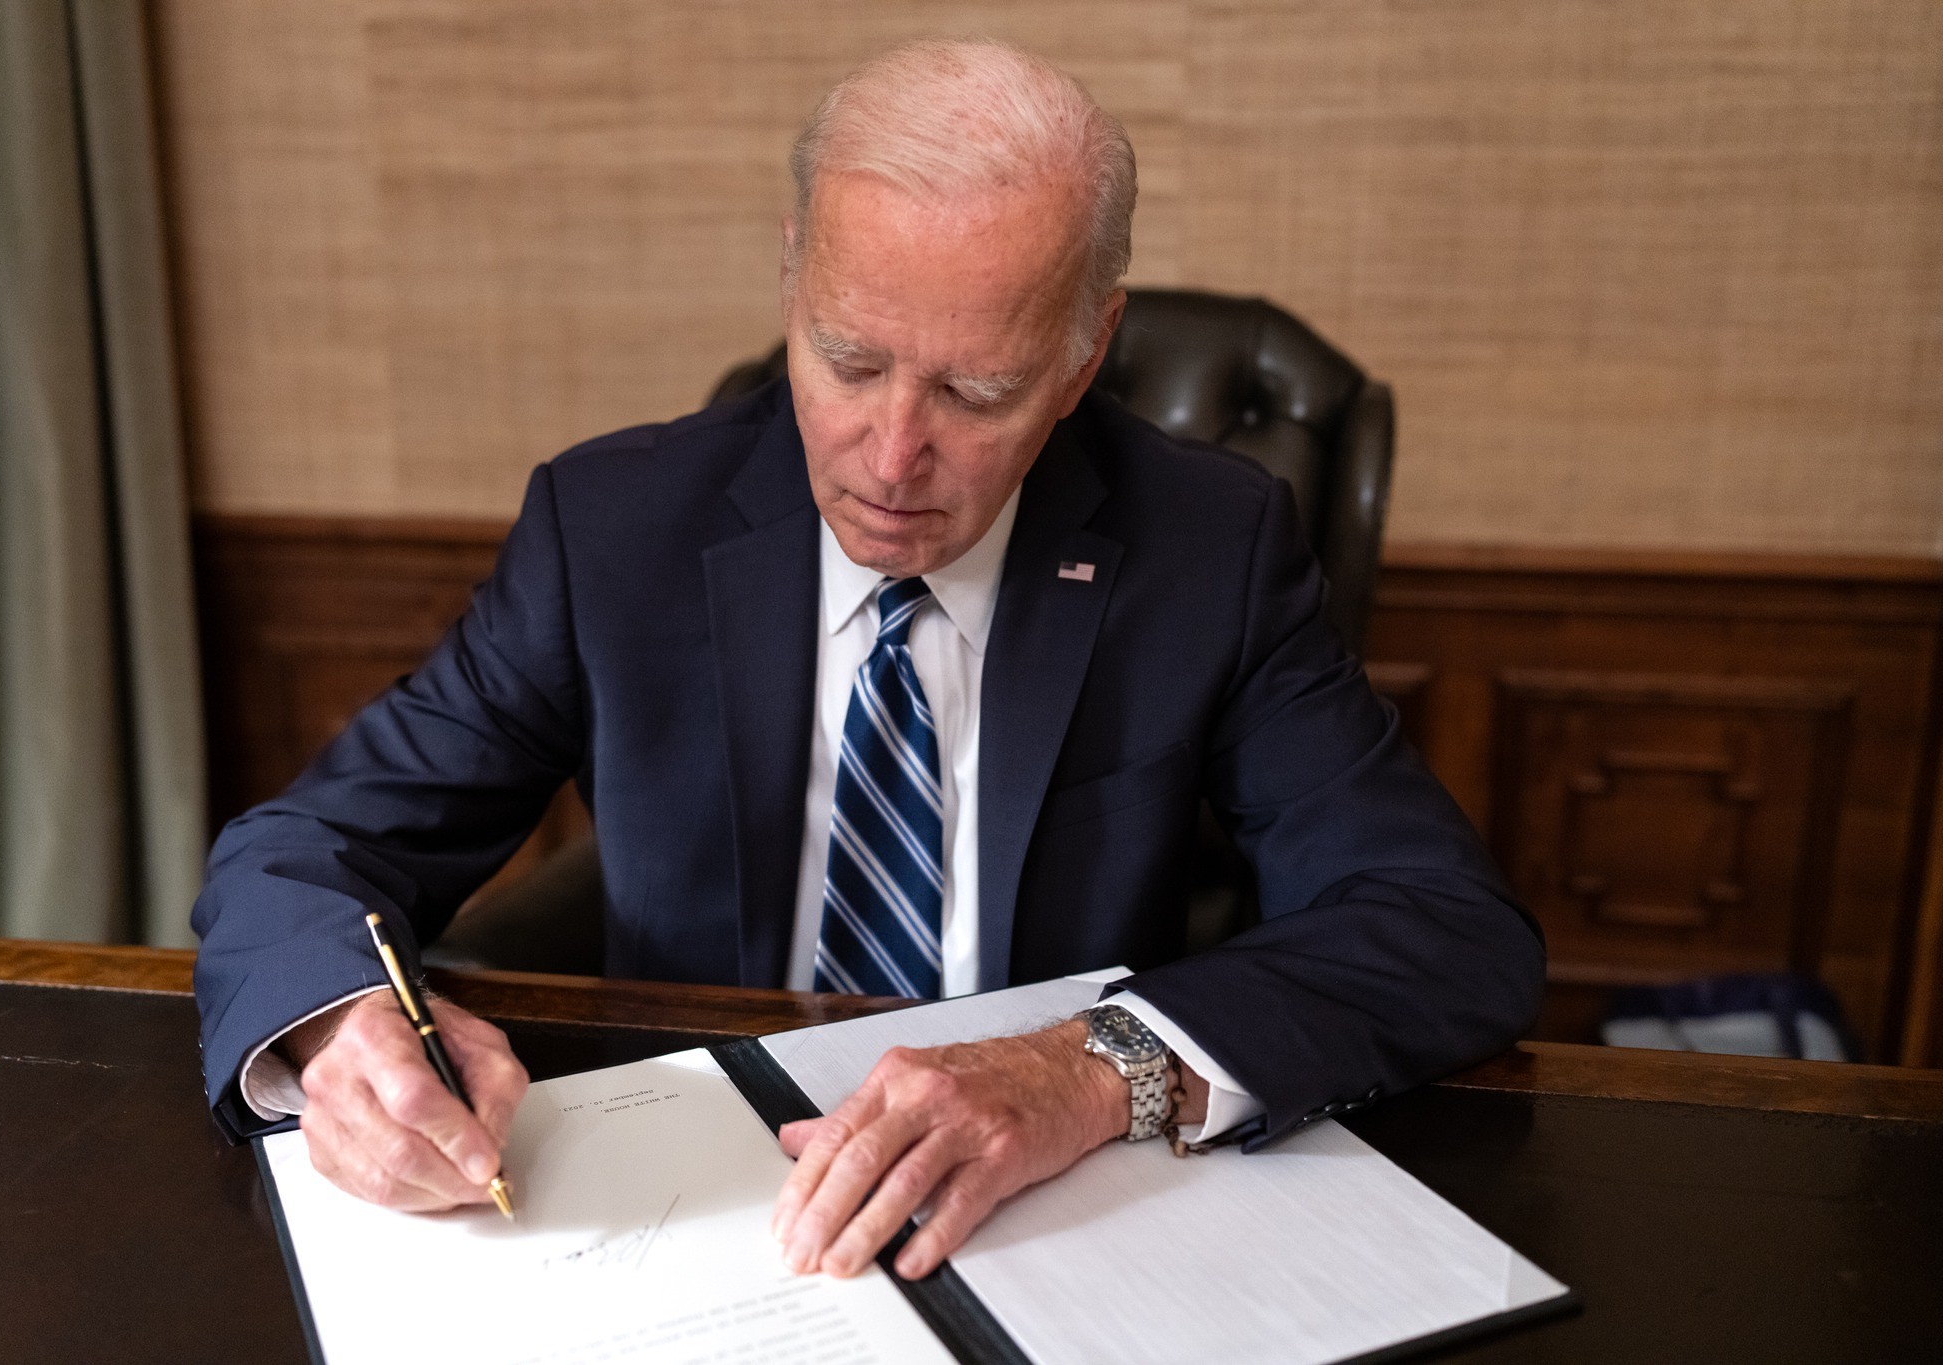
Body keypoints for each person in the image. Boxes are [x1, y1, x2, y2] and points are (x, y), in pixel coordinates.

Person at [191, 38, 1543, 1283]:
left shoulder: (1210, 547)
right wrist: (341, 1028)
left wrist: (1089, 1069)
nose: (892, 457)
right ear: (791, 280)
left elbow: (1445, 928)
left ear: (1084, 357)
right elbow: (302, 846)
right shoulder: (614, 532)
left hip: (1058, 1215)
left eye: (976, 391)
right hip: (697, 1213)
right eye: (846, 360)